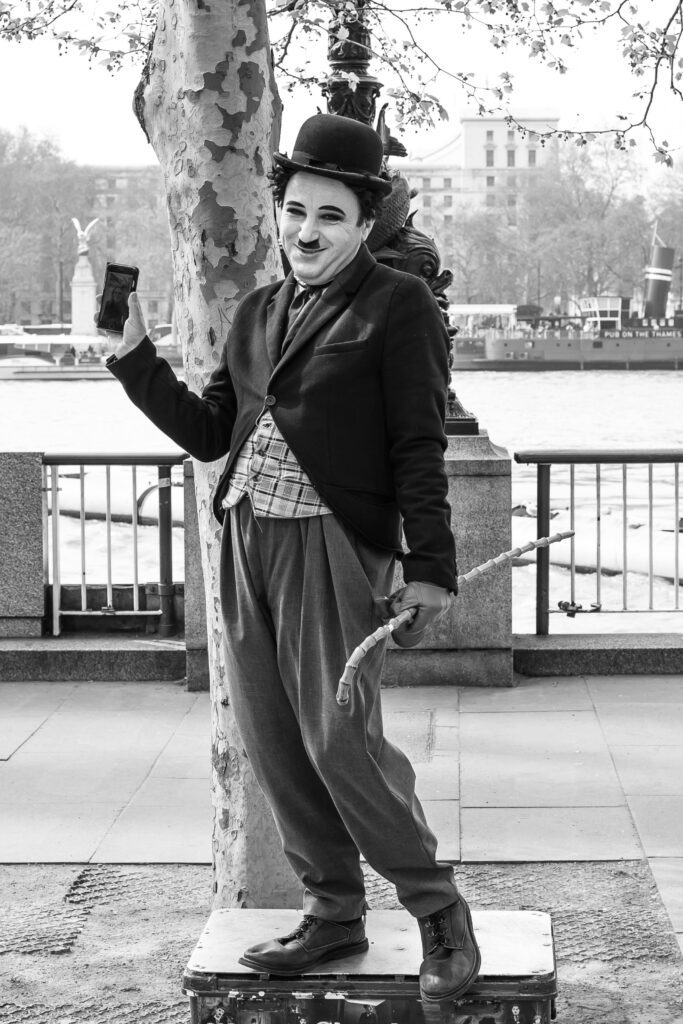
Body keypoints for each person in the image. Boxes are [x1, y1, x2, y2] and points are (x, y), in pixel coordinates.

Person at [104, 112, 480, 1003]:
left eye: (331, 217)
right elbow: (211, 431)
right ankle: (332, 912)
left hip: (330, 545)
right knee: (274, 741)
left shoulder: (397, 304)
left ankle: (437, 913)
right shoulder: (257, 310)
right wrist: (133, 358)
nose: (306, 232)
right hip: (244, 540)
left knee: (341, 741)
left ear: (364, 224)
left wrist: (428, 567)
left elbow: (417, 444)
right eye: (296, 211)